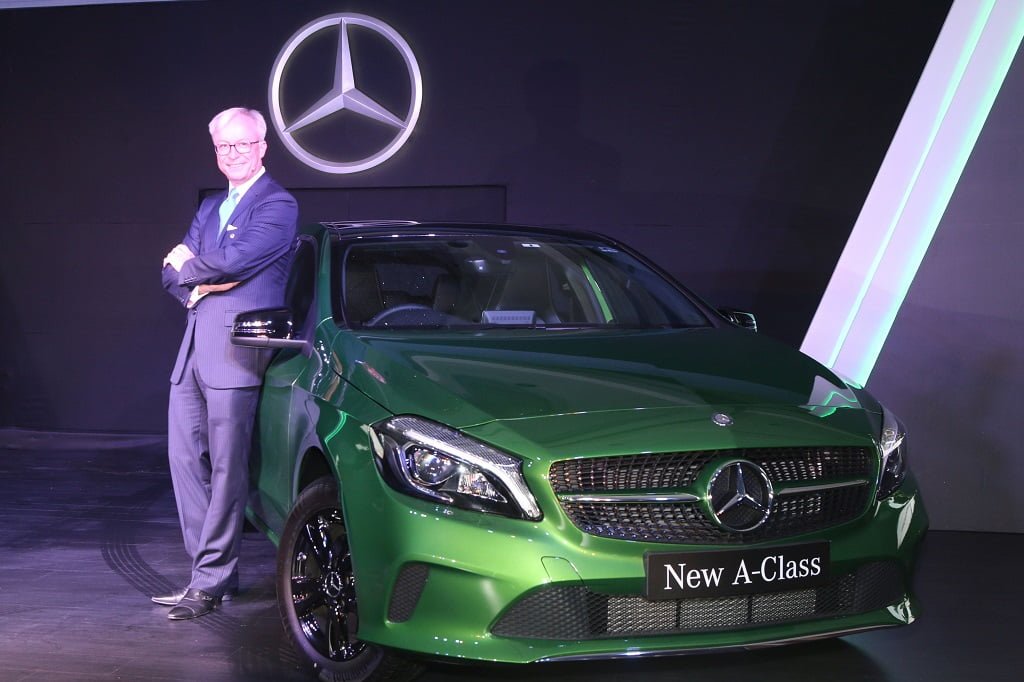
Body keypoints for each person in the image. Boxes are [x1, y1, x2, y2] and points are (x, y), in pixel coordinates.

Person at [157, 107, 297, 620]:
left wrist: (194, 268)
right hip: (194, 349)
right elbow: (172, 273)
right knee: (183, 462)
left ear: (262, 147)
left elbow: (233, 262)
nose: (232, 154)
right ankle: (210, 574)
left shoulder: (277, 204)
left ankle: (211, 580)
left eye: (242, 144)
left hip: (236, 354)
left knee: (226, 468)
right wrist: (198, 283)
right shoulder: (211, 205)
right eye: (223, 146)